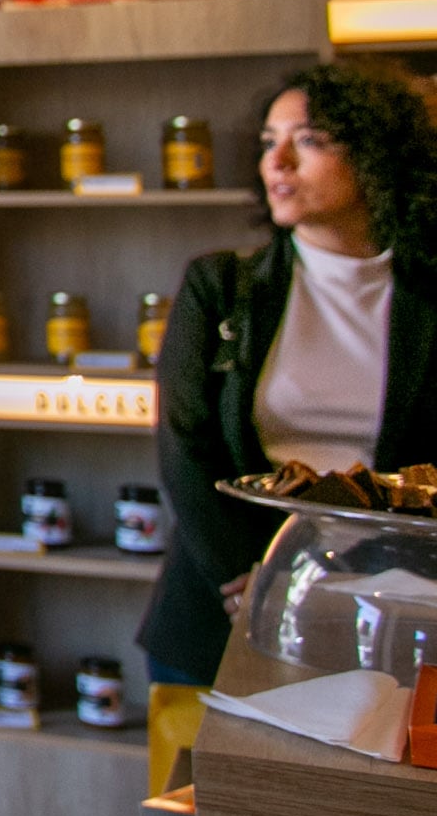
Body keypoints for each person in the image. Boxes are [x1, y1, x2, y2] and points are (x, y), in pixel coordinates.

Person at [141, 61, 437, 685]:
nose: (277, 163)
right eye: (269, 142)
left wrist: (369, 582)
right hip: (227, 610)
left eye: (308, 141)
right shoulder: (219, 287)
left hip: (394, 615)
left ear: (378, 155)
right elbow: (184, 450)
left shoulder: (430, 297)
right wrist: (261, 581)